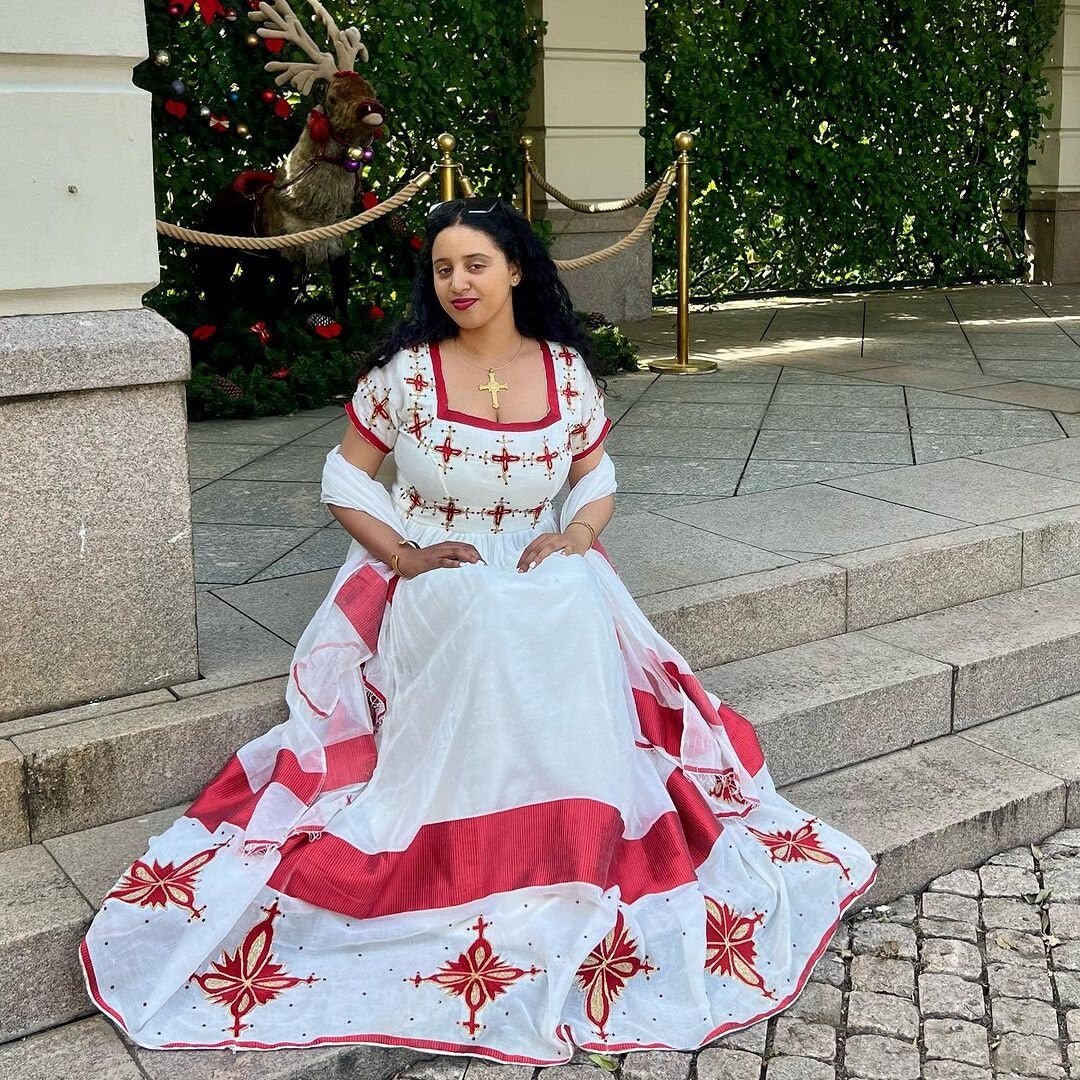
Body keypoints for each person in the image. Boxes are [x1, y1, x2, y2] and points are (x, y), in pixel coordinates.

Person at [80, 197, 876, 1063]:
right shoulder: (406, 376)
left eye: (476, 264)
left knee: (564, 594)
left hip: (540, 557)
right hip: (430, 566)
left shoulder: (568, 374)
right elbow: (345, 478)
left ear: (517, 269)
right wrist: (405, 555)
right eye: (443, 268)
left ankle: (574, 829)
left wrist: (576, 535)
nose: (458, 282)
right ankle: (461, 835)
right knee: (474, 605)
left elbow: (596, 474)